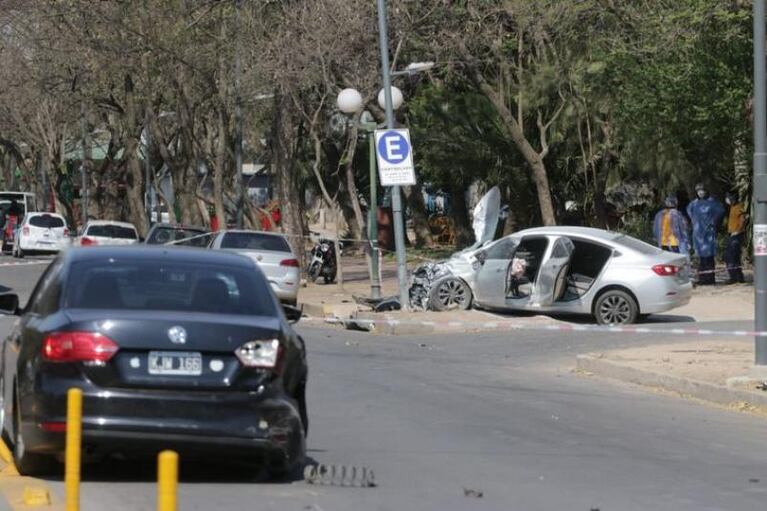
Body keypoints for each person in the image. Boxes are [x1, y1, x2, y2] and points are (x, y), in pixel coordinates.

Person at [686, 183, 725, 285]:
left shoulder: (712, 202)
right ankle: (703, 278)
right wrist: (694, 222)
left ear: (706, 191)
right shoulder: (693, 203)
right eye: (698, 191)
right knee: (701, 258)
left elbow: (721, 211)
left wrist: (713, 222)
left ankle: (710, 278)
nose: (701, 192)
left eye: (702, 190)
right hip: (698, 234)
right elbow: (689, 212)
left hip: (708, 233)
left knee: (709, 257)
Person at [724, 192, 746, 284]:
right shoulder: (732, 207)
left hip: (736, 235)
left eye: (728, 198)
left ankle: (734, 277)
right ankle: (739, 277)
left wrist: (737, 231)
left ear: (733, 198)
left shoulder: (739, 207)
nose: (727, 200)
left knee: (731, 256)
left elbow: (743, 220)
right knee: (735, 257)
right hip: (732, 234)